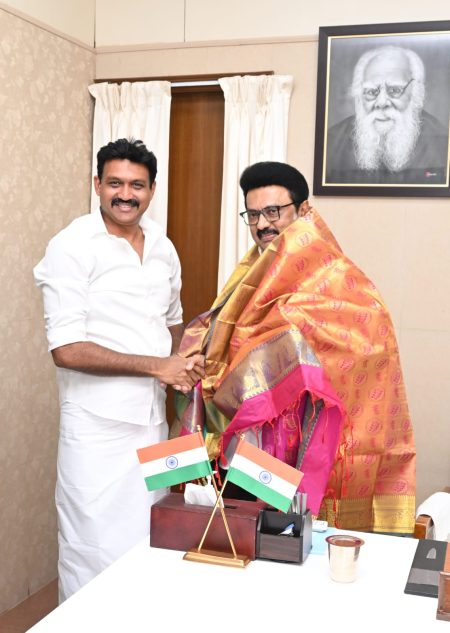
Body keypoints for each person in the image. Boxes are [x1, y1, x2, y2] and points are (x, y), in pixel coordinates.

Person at [174, 161, 416, 534]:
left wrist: (284, 343)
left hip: (309, 435)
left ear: (303, 210)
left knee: (300, 544)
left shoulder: (338, 278)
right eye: (253, 215)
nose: (262, 224)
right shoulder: (252, 273)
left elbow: (369, 342)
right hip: (252, 441)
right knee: (248, 539)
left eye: (273, 211)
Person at [34, 138, 204, 601]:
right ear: (97, 185)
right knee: (91, 549)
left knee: (152, 538)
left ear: (152, 190)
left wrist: (184, 365)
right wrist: (159, 367)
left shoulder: (163, 247)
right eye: (115, 183)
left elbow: (172, 322)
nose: (125, 195)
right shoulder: (71, 246)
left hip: (151, 425)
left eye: (136, 185)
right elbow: (67, 349)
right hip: (95, 430)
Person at [326, 45, 449, 185]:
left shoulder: (442, 144)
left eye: (395, 90)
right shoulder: (332, 142)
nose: (382, 102)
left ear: (416, 92)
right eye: (371, 91)